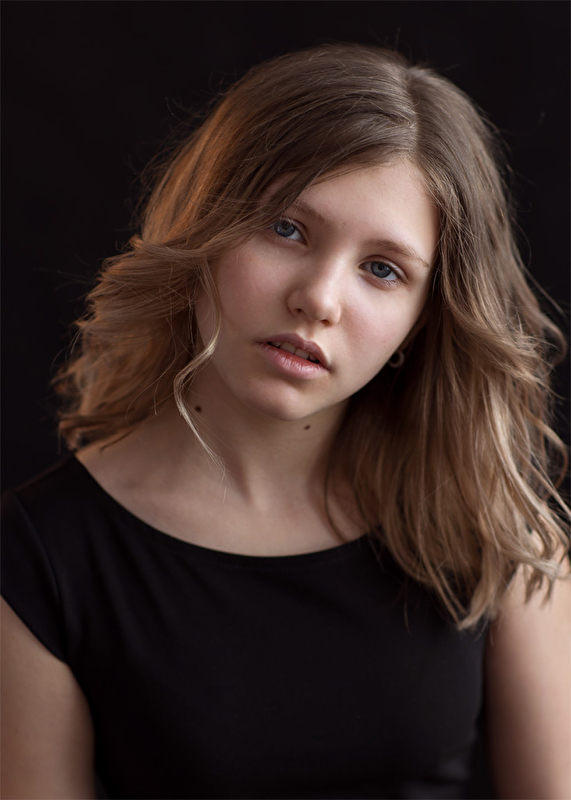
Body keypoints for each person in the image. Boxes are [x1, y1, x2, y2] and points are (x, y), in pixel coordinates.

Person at [2, 43, 569, 800]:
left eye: (382, 269)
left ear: (424, 319)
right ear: (205, 227)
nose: (319, 298)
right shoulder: (42, 555)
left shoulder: (491, 525)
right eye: (286, 228)